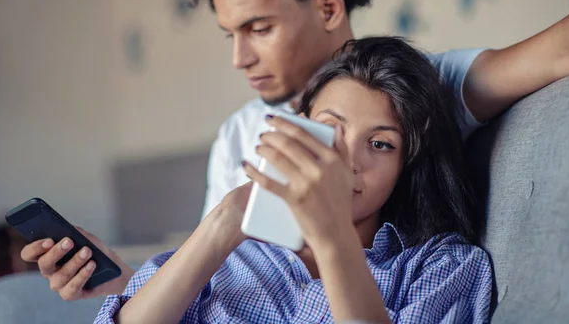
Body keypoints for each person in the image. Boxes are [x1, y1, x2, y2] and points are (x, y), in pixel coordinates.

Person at [20, 0, 569, 301]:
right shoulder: (240, 132)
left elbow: (563, 49)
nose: (240, 58)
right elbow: (218, 272)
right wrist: (117, 278)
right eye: (230, 35)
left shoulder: (431, 86)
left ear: (330, 7)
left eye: (259, 29)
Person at [95, 37, 493, 323]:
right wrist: (224, 221)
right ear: (297, 130)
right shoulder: (225, 257)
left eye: (380, 144)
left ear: (408, 162)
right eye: (329, 131)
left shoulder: (444, 267)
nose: (346, 162)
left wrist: (331, 234)